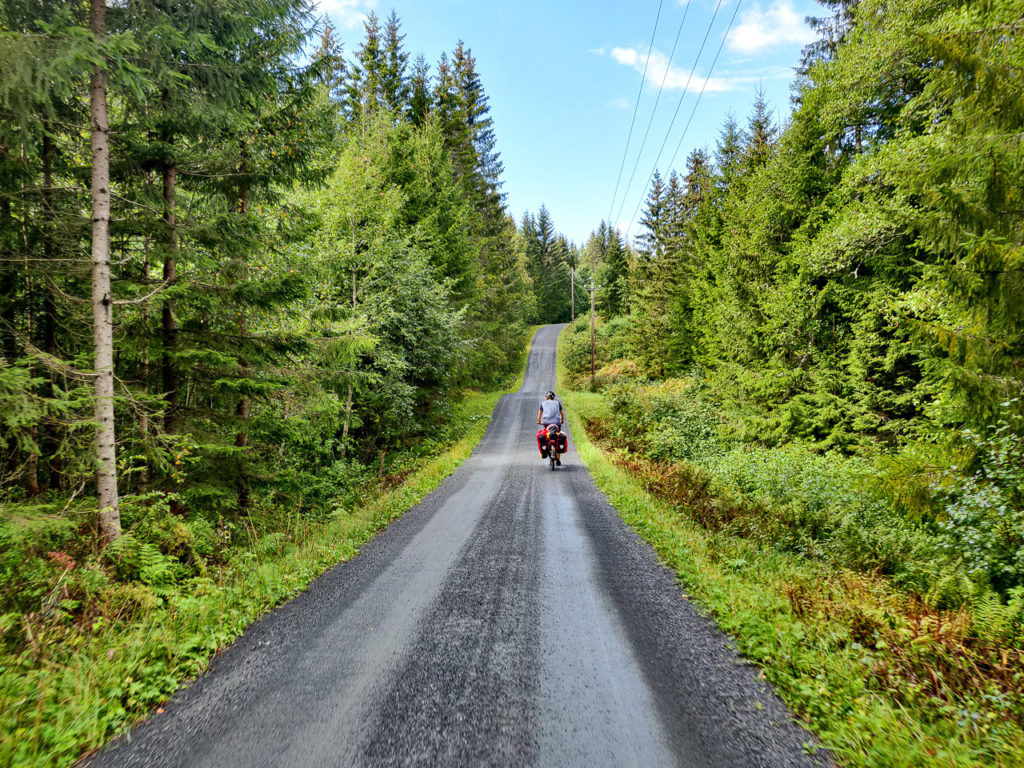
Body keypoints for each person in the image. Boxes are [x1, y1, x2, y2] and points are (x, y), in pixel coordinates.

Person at [537, 390, 566, 463]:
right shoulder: (557, 403)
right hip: (556, 423)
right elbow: (562, 414)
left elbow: (539, 415)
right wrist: (561, 421)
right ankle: (558, 458)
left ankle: (545, 449)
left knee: (547, 436)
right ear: (553, 398)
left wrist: (540, 422)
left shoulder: (543, 403)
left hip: (546, 423)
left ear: (546, 397)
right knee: (557, 437)